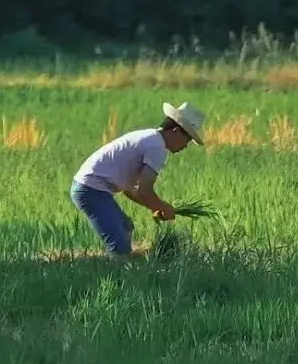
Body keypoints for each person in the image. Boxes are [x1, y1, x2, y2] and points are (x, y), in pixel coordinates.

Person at [70, 102, 206, 257]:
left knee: (126, 228)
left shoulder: (149, 137)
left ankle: (121, 267)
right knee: (119, 245)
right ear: (176, 131)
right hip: (91, 190)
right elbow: (145, 190)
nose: (185, 146)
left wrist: (155, 207)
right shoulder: (157, 148)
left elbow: (129, 190)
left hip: (88, 187)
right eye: (187, 140)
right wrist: (162, 206)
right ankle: (118, 276)